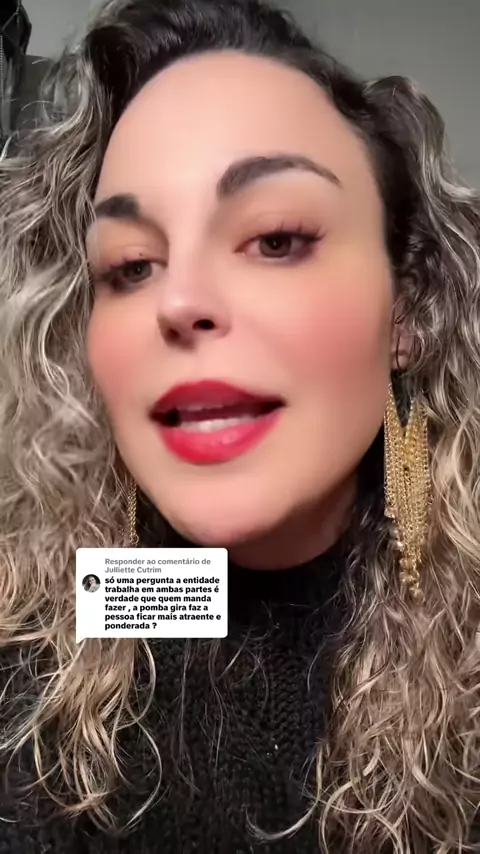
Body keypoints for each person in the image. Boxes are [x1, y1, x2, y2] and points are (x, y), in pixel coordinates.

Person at [0, 0, 479, 851]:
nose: (178, 301)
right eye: (131, 266)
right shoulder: (46, 633)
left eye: (277, 238)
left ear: (407, 311)